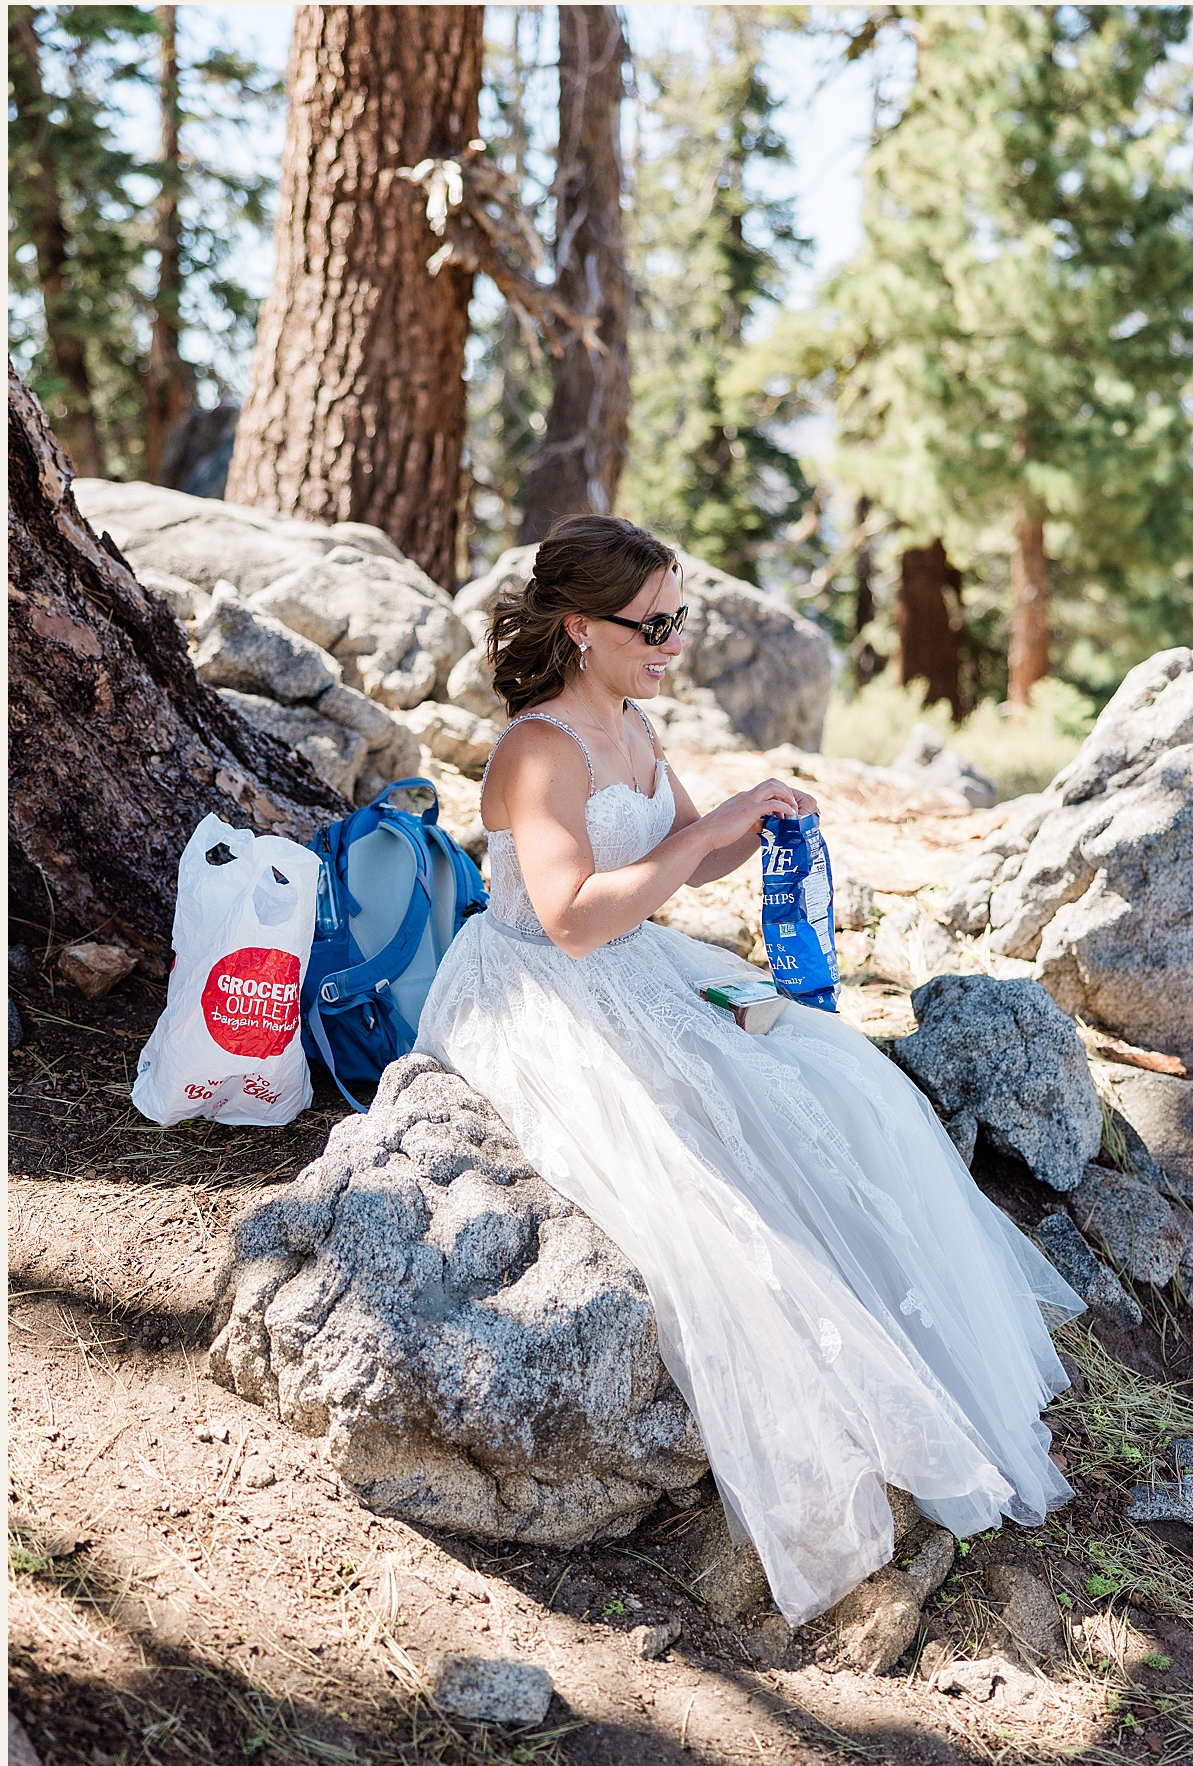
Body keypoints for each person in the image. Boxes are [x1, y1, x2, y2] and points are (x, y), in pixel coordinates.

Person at [414, 514, 1079, 1628]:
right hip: (542, 986)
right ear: (582, 627)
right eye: (654, 624)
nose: (673, 641)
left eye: (682, 618)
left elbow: (689, 848)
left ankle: (915, 1337)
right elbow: (571, 917)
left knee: (844, 1082)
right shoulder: (540, 748)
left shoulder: (627, 722)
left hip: (637, 963)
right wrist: (699, 833)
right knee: (704, 1174)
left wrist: (757, 815)